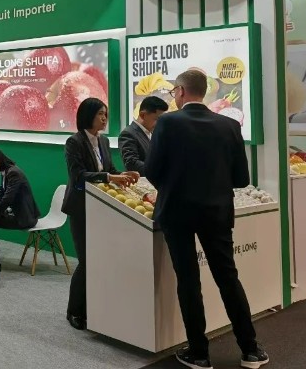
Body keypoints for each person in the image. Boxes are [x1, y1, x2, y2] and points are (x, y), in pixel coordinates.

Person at [146, 70, 268, 369]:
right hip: (216, 212)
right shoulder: (229, 125)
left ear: (180, 91)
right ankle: (251, 350)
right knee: (228, 277)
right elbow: (241, 179)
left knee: (188, 280)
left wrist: (174, 184)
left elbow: (152, 170)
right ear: (204, 92)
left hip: (176, 212)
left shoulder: (167, 123)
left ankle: (199, 353)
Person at [62, 98, 138, 330]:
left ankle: (94, 308)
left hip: (102, 207)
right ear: (88, 116)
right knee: (86, 261)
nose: (105, 118)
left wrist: (123, 174)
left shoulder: (104, 141)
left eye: (106, 114)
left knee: (100, 259)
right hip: (81, 207)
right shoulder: (74, 142)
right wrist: (108, 177)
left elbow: (109, 169)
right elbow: (78, 176)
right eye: (100, 114)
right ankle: (74, 311)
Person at [118, 95, 168, 176]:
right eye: (157, 119)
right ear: (142, 115)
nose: (160, 123)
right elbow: (131, 162)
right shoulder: (128, 133)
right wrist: (158, 171)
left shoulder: (153, 133)